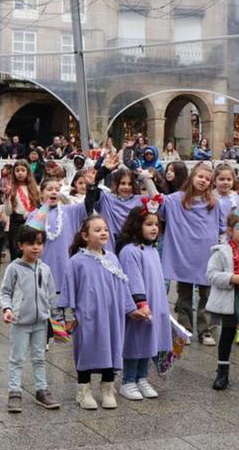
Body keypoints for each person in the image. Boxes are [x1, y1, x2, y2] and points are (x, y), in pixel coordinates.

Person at [60, 216, 145, 410]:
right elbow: (68, 289)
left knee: (112, 347)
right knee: (86, 349)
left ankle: (108, 388)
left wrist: (131, 308)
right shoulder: (76, 262)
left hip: (112, 315)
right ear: (85, 236)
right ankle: (84, 390)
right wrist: (69, 316)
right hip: (88, 315)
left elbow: (122, 285)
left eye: (105, 229)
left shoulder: (112, 258)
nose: (103, 233)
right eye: (97, 230)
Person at [151, 163, 222, 345]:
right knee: (184, 294)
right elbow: (158, 202)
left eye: (207, 179)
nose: (203, 181)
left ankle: (204, 330)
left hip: (207, 256)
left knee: (206, 294)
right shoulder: (176, 199)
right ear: (192, 177)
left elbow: (222, 226)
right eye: (200, 176)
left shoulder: (214, 203)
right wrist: (147, 179)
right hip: (184, 254)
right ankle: (185, 328)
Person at [0, 225, 60, 413]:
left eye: (40, 244)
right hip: (20, 322)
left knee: (39, 357)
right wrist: (7, 309)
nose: (36, 248)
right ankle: (14, 392)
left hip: (41, 322)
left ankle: (42, 390)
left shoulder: (45, 269)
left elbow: (51, 295)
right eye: (31, 244)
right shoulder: (14, 268)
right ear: (20, 245)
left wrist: (57, 317)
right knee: (17, 358)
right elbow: (5, 292)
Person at [116, 204, 171, 400]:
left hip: (155, 303)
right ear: (137, 225)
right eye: (149, 224)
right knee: (135, 341)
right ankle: (128, 380)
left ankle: (142, 377)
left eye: (156, 224)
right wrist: (141, 303)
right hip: (139, 306)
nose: (154, 228)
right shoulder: (130, 250)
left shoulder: (152, 250)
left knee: (149, 341)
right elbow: (133, 278)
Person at [207, 212, 239, 390]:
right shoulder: (221, 252)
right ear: (229, 230)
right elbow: (211, 275)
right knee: (227, 334)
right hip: (231, 298)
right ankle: (222, 371)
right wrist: (231, 278)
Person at [4, 161, 41, 260]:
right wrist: (7, 197)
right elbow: (8, 212)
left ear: (27, 172)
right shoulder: (11, 189)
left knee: (32, 250)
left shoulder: (35, 189)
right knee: (17, 251)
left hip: (32, 222)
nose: (20, 173)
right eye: (17, 170)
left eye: (23, 170)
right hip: (16, 223)